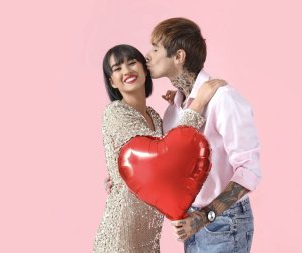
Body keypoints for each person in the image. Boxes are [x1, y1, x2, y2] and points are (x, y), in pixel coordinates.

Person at [93, 44, 225, 253]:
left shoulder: (154, 116)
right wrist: (197, 103)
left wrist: (180, 100)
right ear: (112, 81)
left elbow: (169, 159)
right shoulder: (115, 113)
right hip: (119, 236)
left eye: (131, 62)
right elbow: (165, 153)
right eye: (117, 68)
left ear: (144, 69)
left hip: (149, 235)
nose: (126, 71)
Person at [145, 18, 261, 252]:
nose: (147, 55)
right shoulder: (174, 110)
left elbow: (249, 171)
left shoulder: (223, 98)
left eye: (155, 48)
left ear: (178, 57)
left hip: (224, 222)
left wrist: (204, 217)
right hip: (193, 221)